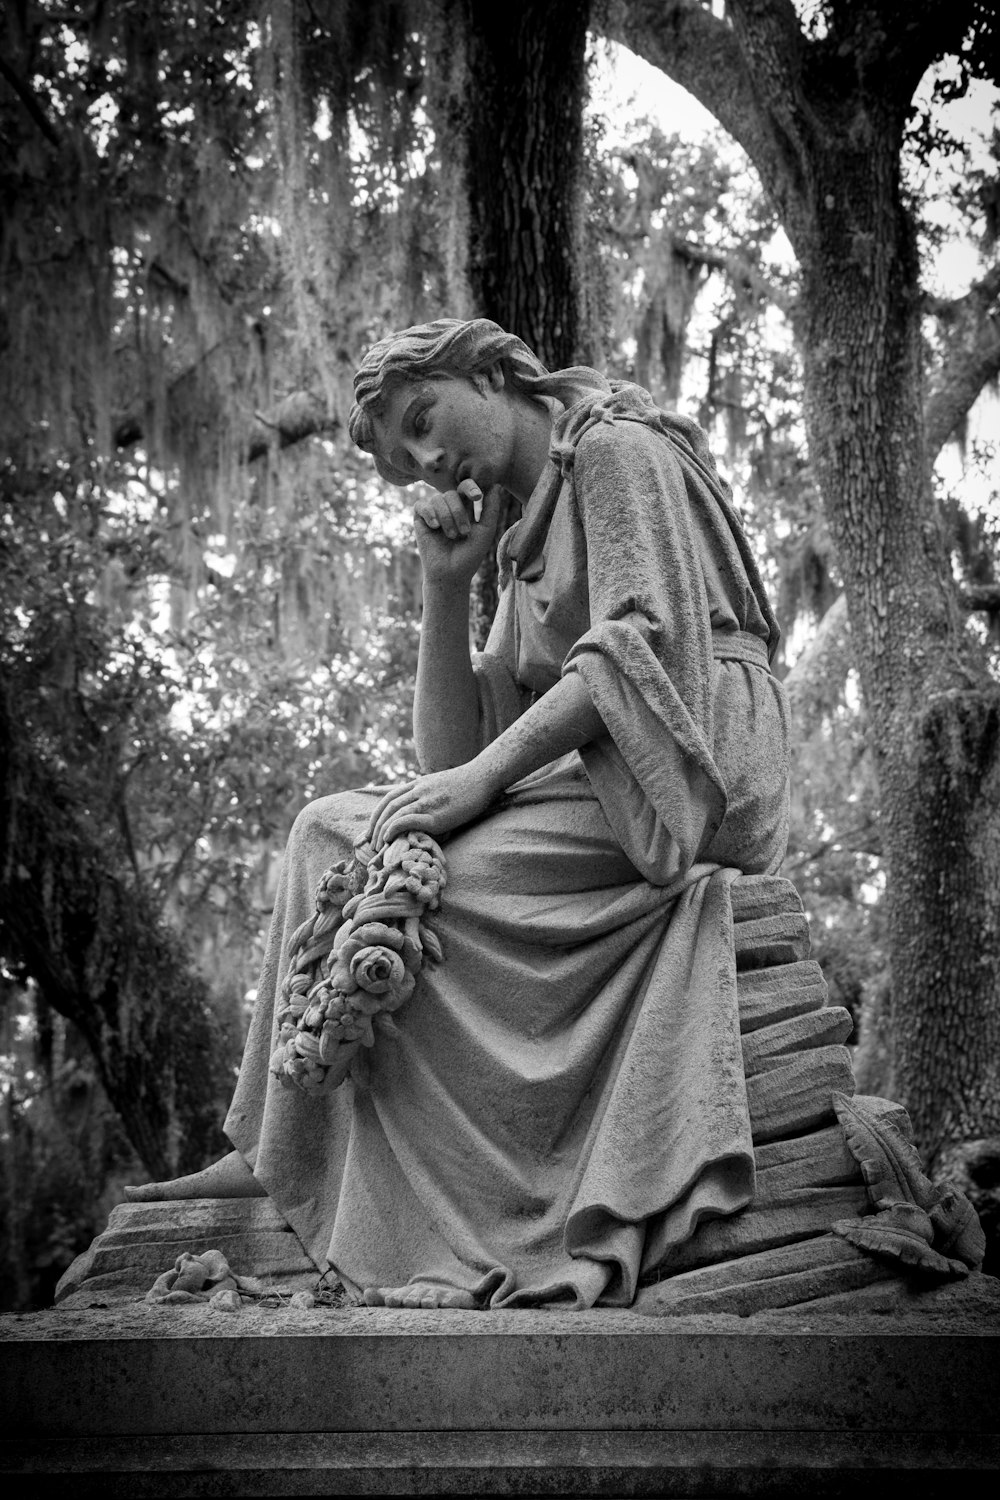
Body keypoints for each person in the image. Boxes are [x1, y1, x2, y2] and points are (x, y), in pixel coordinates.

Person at [127, 318, 790, 1310]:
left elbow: (640, 645)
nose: (426, 458)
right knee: (326, 830)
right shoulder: (525, 537)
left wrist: (482, 784)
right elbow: (457, 750)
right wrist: (446, 589)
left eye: (423, 420)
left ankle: (368, 1175)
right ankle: (279, 1145)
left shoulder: (614, 447)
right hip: (606, 769)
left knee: (436, 886)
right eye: (401, 459)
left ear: (489, 371)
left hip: (693, 761)